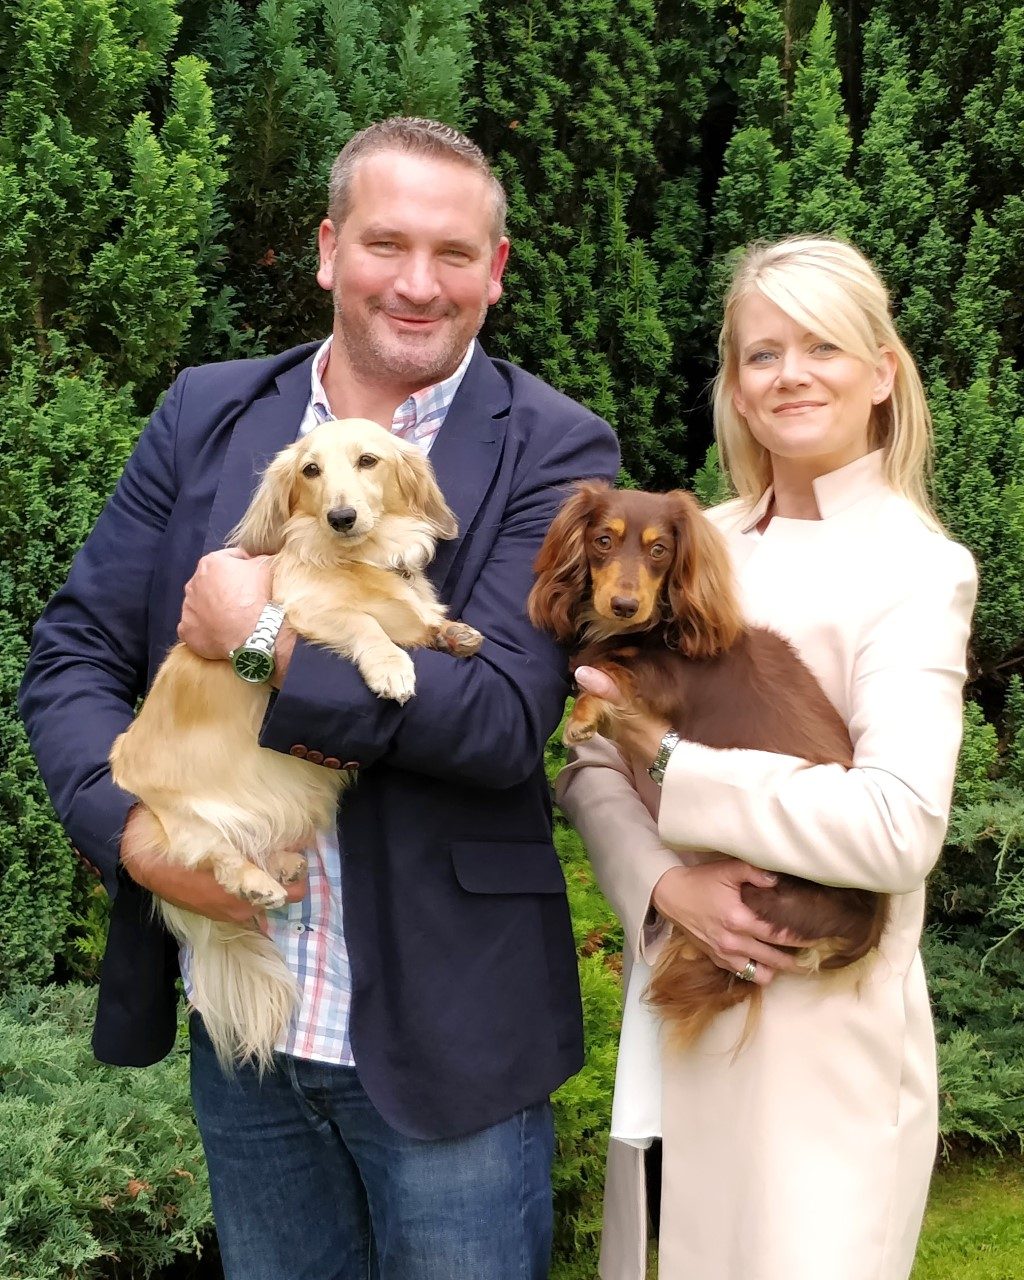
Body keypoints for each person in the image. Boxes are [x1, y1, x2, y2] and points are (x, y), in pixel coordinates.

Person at [20, 117, 619, 1280]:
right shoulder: (206, 413)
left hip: (448, 1037)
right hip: (248, 1029)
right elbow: (73, 653)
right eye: (385, 243)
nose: (417, 282)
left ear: (495, 270)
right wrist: (138, 838)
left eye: (453, 252)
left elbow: (497, 719)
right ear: (329, 249)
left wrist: (261, 640)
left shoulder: (553, 447)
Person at [557, 236, 977, 1280]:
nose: (790, 374)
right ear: (737, 391)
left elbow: (896, 829)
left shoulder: (917, 568)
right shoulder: (692, 542)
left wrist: (672, 766)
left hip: (819, 1041)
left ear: (882, 373)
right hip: (682, 999)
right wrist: (664, 884)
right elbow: (591, 759)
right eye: (762, 353)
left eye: (822, 346)